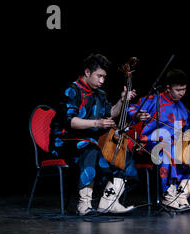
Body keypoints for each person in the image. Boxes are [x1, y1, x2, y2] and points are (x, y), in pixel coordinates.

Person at [50, 53, 141, 215]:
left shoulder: (101, 94)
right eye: (99, 76)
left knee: (119, 151)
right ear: (87, 72)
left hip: (90, 140)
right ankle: (84, 204)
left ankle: (109, 202)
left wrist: (122, 100)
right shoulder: (72, 91)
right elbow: (70, 122)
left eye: (104, 77)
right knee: (91, 148)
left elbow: (111, 112)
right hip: (66, 140)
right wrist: (97, 123)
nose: (102, 81)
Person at [127, 69, 190, 209]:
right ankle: (168, 195)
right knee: (168, 149)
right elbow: (131, 109)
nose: (181, 93)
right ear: (168, 88)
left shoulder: (182, 106)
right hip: (150, 144)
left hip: (174, 144)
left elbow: (188, 126)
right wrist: (138, 115)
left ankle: (181, 194)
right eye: (178, 90)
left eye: (184, 89)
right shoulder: (154, 99)